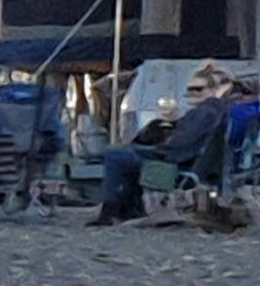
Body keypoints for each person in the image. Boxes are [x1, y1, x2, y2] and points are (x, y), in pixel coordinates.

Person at [95, 66, 243, 224]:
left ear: (214, 90)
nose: (192, 93)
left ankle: (113, 209)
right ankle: (129, 206)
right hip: (185, 157)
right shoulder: (216, 110)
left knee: (115, 154)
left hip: (176, 159)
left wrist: (163, 145)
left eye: (198, 89)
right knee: (124, 152)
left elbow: (184, 141)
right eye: (190, 89)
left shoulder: (207, 111)